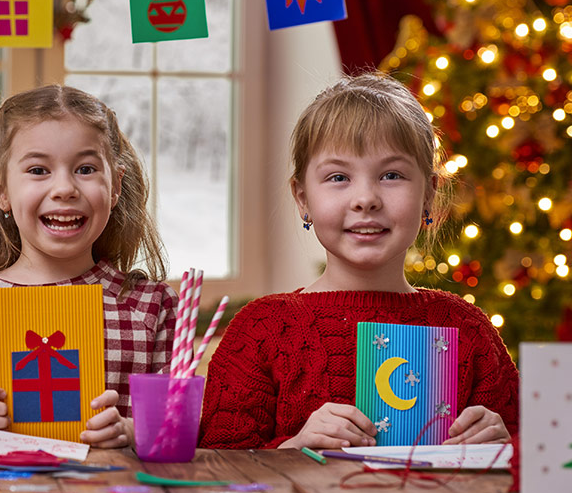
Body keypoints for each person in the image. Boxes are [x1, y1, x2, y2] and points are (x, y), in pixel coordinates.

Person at [199, 73, 519, 450]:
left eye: (391, 175)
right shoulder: (260, 331)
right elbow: (217, 473)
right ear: (302, 198)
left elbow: (529, 468)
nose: (365, 198)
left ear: (429, 194)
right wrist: (294, 448)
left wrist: (503, 445)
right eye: (338, 177)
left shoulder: (470, 332)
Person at [0, 84, 177, 447]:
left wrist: (132, 432)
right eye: (39, 170)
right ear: (1, 191)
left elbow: (177, 432)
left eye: (85, 168)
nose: (64, 188)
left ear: (116, 185)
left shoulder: (153, 306)